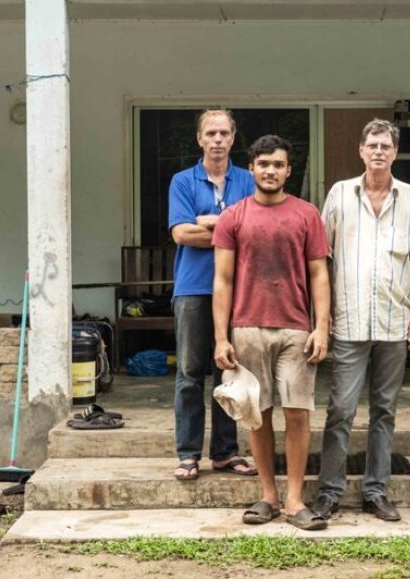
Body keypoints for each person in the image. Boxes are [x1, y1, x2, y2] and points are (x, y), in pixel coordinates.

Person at [213, 134, 331, 531]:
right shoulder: (234, 216)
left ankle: (295, 499)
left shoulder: (306, 214)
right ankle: (268, 495)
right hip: (246, 328)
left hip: (297, 329)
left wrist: (321, 327)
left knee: (298, 413)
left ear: (288, 170)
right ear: (252, 169)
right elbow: (223, 280)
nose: (270, 171)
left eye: (278, 165)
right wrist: (221, 337)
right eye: (263, 164)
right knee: (257, 415)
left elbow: (319, 273)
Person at [313, 119, 410, 522]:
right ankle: (329, 491)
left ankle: (376, 491)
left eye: (386, 146)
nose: (379, 151)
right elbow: (321, 260)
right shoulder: (340, 194)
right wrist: (322, 317)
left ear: (395, 153)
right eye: (372, 145)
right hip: (348, 320)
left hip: (395, 322)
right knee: (340, 409)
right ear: (361, 150)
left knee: (385, 410)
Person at [168, 109, 257, 481]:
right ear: (200, 139)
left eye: (224, 133)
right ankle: (189, 454)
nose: (218, 140)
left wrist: (207, 221)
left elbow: (255, 230)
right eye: (211, 133)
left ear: (233, 139)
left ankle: (225, 452)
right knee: (190, 373)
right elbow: (181, 234)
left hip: (239, 289)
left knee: (229, 369)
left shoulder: (249, 180)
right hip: (192, 287)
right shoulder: (182, 181)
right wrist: (230, 228)